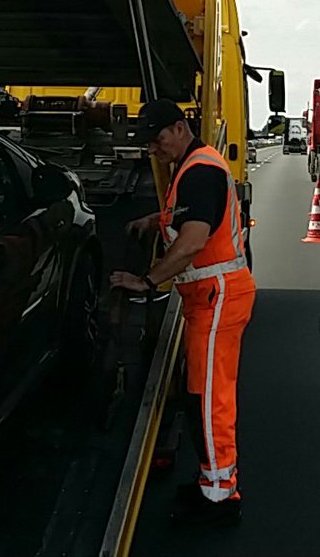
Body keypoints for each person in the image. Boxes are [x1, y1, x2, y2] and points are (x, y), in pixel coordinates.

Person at [110, 99, 255, 525]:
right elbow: (189, 214)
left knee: (210, 401)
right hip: (209, 298)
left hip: (217, 298)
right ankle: (213, 480)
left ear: (178, 128)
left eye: (157, 140)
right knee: (201, 394)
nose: (153, 149)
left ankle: (220, 497)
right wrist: (155, 219)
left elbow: (192, 242)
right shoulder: (192, 165)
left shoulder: (200, 171)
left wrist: (148, 280)